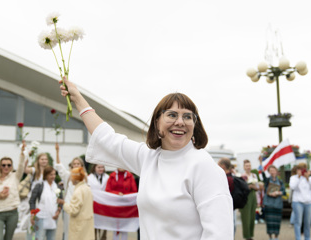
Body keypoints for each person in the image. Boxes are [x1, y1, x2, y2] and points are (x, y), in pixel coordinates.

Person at [59, 77, 233, 239]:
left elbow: (219, 234)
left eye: (188, 116)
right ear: (157, 122)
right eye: (172, 115)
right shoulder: (149, 157)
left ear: (195, 125)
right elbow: (108, 139)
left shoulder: (204, 166)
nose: (180, 121)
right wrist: (78, 99)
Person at [54, 143, 86, 240]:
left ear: (81, 165)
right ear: (71, 166)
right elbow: (59, 166)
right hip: (68, 206)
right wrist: (57, 151)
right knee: (68, 230)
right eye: (74, 164)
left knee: (80, 230)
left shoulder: (85, 178)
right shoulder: (68, 176)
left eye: (78, 164)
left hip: (81, 208)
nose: (76, 165)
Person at [0, 141, 26, 240]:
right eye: (3, 165)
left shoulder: (15, 176)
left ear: (12, 166)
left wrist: (22, 153)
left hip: (12, 213)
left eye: (9, 165)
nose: (6, 167)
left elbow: (21, 166)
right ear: (0, 166)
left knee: (8, 238)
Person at [57, 167, 94, 240]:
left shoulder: (78, 191)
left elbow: (73, 211)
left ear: (75, 178)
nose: (70, 179)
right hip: (87, 225)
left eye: (71, 177)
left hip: (79, 226)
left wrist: (63, 203)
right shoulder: (87, 188)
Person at [20, 152, 49, 240]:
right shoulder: (34, 170)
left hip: (44, 200)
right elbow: (25, 170)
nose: (44, 161)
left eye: (45, 159)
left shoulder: (49, 171)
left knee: (41, 223)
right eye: (42, 159)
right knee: (31, 221)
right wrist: (27, 158)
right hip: (34, 200)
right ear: (38, 160)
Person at [29, 166, 62, 240]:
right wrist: (32, 213)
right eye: (51, 174)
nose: (53, 176)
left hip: (53, 217)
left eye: (54, 174)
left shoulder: (57, 186)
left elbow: (61, 200)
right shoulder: (39, 186)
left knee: (51, 238)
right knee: (39, 237)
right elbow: (32, 200)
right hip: (41, 216)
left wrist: (58, 211)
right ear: (46, 175)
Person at [105, 168, 137, 240]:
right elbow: (107, 190)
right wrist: (117, 194)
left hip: (126, 207)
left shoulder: (130, 176)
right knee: (115, 228)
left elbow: (134, 191)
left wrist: (125, 196)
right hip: (115, 206)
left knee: (124, 228)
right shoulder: (112, 176)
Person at [259, 157, 285, 240]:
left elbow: (284, 191)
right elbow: (262, 174)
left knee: (277, 222)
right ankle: (270, 237)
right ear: (269, 172)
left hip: (277, 205)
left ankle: (276, 237)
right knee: (269, 223)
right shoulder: (267, 180)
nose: (273, 172)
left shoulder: (280, 181)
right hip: (269, 204)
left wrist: (278, 193)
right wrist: (260, 162)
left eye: (274, 170)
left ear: (276, 171)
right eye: (271, 170)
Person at [289, 162, 311, 240]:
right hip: (297, 202)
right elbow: (293, 187)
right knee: (298, 222)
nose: (302, 170)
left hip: (308, 202)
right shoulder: (294, 178)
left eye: (303, 169)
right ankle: (298, 238)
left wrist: (307, 178)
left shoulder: (310, 178)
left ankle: (307, 237)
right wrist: (299, 177)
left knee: (307, 222)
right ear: (297, 170)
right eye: (300, 169)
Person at [87, 164, 109, 240]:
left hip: (104, 206)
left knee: (103, 229)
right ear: (94, 168)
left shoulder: (107, 177)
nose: (101, 169)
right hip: (93, 206)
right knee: (93, 229)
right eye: (99, 167)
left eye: (102, 167)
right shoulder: (89, 178)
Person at [240, 159, 259, 240]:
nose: (248, 167)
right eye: (247, 166)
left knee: (252, 216)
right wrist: (248, 187)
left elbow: (258, 188)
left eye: (249, 166)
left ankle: (251, 235)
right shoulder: (242, 176)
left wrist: (254, 187)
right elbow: (240, 189)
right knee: (246, 217)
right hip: (245, 197)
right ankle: (246, 236)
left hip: (253, 196)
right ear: (244, 167)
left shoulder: (254, 175)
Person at [217, 158, 236, 235]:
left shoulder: (224, 177)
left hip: (225, 204)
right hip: (233, 203)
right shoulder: (232, 176)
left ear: (223, 166)